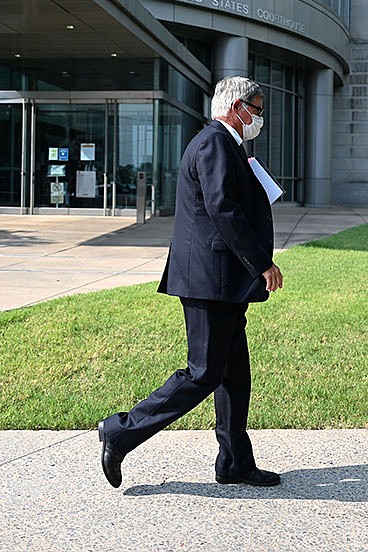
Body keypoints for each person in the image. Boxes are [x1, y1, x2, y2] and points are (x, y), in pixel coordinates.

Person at [98, 76, 283, 488]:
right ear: (237, 107)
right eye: (258, 106)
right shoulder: (215, 143)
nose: (260, 115)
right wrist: (261, 264)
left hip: (223, 281)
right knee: (203, 373)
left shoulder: (226, 145)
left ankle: (234, 462)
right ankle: (120, 431)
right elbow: (223, 209)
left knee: (235, 374)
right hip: (209, 281)